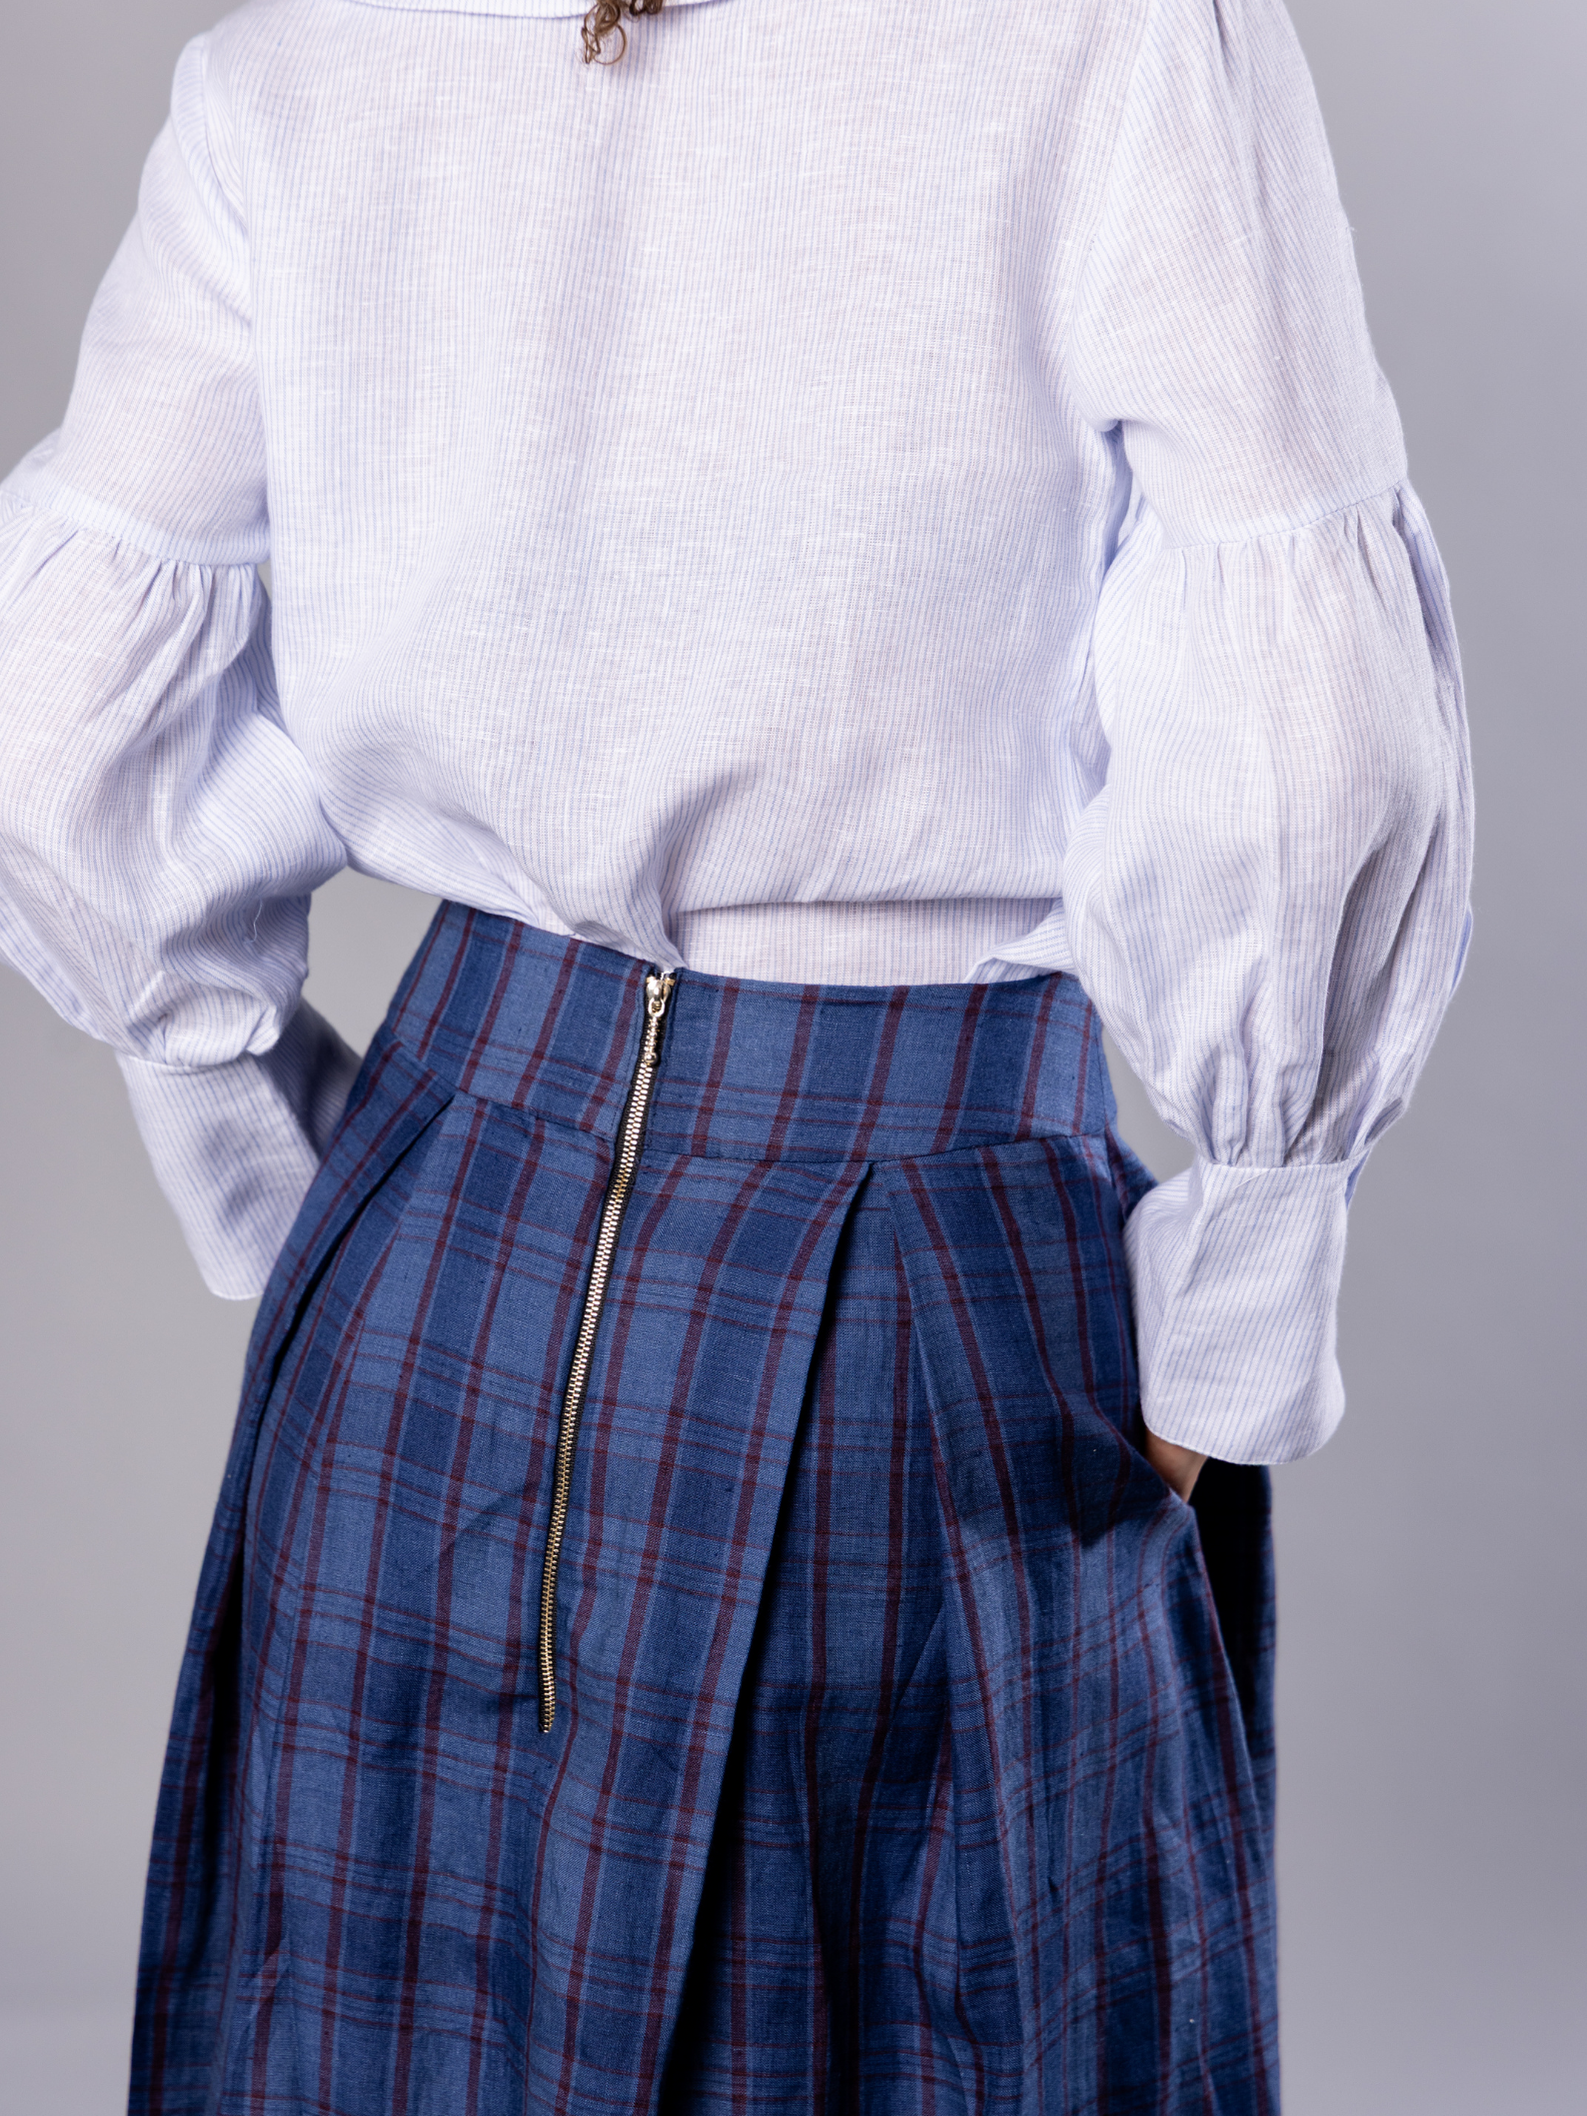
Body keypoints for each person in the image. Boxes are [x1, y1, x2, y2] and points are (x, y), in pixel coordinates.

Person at [0, 0, 1472, 2107]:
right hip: (933, 1285)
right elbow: (1310, 763)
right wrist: (1235, 1293)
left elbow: (54, 728)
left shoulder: (306, 53)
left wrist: (282, 1181)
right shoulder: (1117, 39)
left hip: (420, 1251)